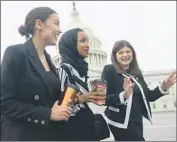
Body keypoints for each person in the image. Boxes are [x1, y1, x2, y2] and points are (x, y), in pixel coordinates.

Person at [1, 7, 72, 141]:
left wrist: (79, 98)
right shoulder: (15, 53)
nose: (60, 30)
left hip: (48, 134)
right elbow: (4, 103)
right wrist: (46, 114)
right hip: (22, 135)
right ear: (38, 24)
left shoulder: (48, 59)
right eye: (56, 23)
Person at [101, 40, 176, 141]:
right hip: (120, 122)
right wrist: (124, 95)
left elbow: (149, 96)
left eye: (128, 51)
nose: (125, 55)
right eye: (121, 52)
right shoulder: (109, 70)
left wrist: (164, 86)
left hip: (136, 120)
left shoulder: (136, 73)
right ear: (115, 55)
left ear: (133, 54)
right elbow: (102, 98)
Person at [58, 28, 106, 141]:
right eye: (83, 41)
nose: (87, 45)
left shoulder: (80, 71)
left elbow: (93, 99)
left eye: (88, 41)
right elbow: (62, 104)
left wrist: (96, 96)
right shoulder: (64, 69)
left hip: (87, 123)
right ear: (71, 44)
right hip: (74, 128)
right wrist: (81, 99)